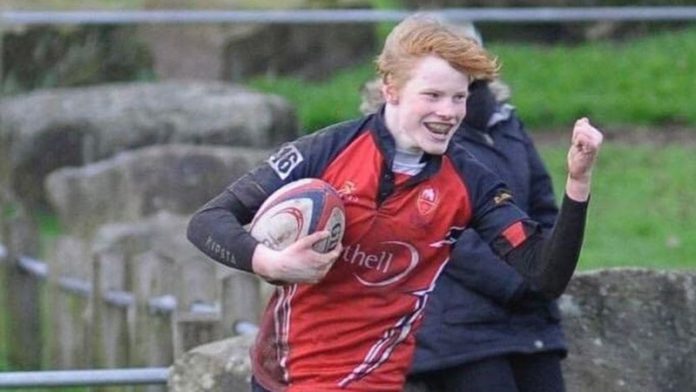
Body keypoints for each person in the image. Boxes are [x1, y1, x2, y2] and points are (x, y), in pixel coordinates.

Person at [187, 14, 603, 392]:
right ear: (391, 89)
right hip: (287, 374)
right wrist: (269, 262)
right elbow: (208, 221)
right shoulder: (327, 150)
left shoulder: (469, 180)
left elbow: (545, 275)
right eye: (434, 95)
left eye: (459, 98)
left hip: (375, 378)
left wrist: (578, 183)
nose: (449, 112)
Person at [361, 22, 568, 392]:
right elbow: (432, 225)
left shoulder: (506, 123)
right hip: (455, 325)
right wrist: (518, 281)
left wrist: (546, 264)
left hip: (531, 320)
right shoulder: (406, 133)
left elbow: (542, 205)